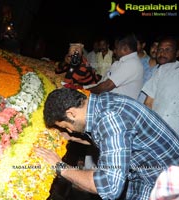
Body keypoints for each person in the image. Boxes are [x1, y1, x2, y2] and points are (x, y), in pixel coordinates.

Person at [35, 88, 179, 200]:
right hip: (148, 173)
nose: (68, 130)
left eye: (66, 126)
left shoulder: (111, 120)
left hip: (166, 184)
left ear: (71, 114)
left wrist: (61, 167)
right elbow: (103, 136)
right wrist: (73, 138)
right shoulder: (102, 102)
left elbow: (109, 187)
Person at [87, 33, 144, 100]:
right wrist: (84, 88)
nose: (114, 51)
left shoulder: (132, 63)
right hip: (108, 101)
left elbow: (106, 86)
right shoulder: (119, 62)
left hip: (118, 106)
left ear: (125, 49)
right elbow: (102, 83)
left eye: (116, 48)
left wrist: (85, 92)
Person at [142, 36, 179, 134]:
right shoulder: (160, 71)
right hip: (155, 131)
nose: (162, 53)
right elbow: (148, 103)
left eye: (168, 49)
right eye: (160, 49)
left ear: (177, 53)